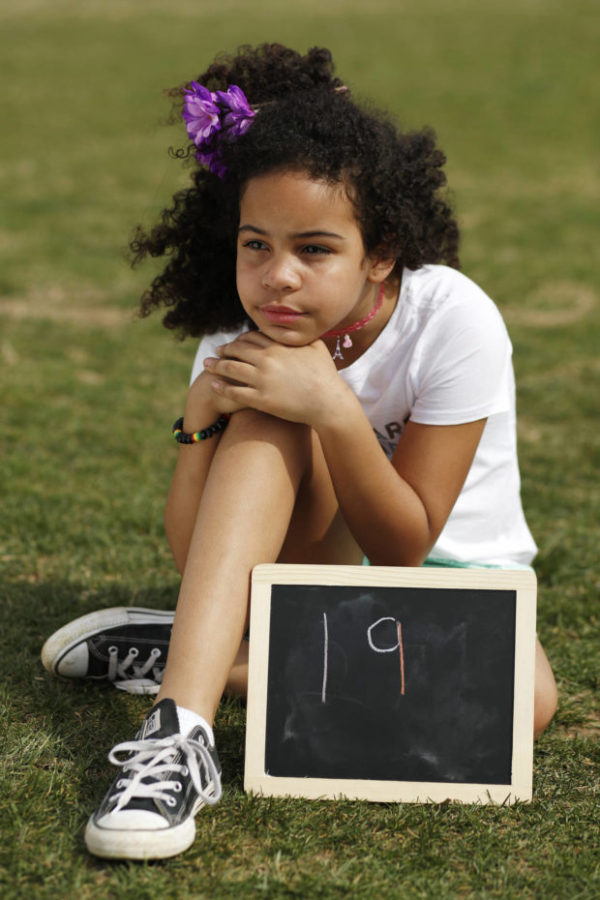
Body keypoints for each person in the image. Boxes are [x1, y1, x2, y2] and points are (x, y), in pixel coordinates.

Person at [41, 43, 557, 860]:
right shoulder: (240, 338)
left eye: (314, 249)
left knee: (526, 700)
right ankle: (176, 737)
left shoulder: (453, 319)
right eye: (256, 245)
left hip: (447, 575)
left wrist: (339, 413)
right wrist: (197, 422)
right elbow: (194, 551)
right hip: (305, 570)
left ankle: (199, 654)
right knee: (270, 406)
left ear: (379, 252)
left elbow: (404, 550)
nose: (278, 277)